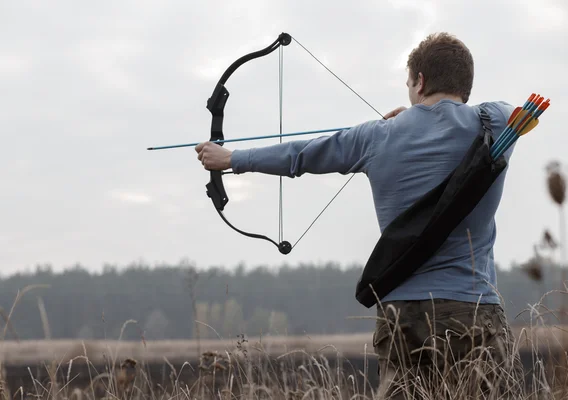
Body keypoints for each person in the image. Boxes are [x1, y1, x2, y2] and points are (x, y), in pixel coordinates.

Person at [195, 32, 525, 398]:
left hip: (404, 315)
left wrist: (232, 159)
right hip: (475, 310)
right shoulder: (496, 126)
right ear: (466, 85)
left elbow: (300, 155)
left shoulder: (376, 137)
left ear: (420, 81)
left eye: (409, 84)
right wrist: (431, 113)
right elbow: (515, 111)